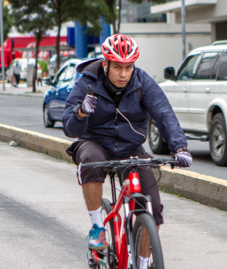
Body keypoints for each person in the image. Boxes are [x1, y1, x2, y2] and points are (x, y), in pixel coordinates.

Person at [62, 34, 192, 258]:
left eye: (129, 67)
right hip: (96, 142)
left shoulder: (142, 82)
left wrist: (180, 147)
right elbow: (69, 128)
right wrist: (81, 112)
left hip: (131, 148)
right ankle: (97, 228)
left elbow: (164, 113)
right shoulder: (87, 81)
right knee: (90, 161)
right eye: (118, 67)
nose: (124, 74)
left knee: (152, 210)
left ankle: (141, 262)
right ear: (105, 64)